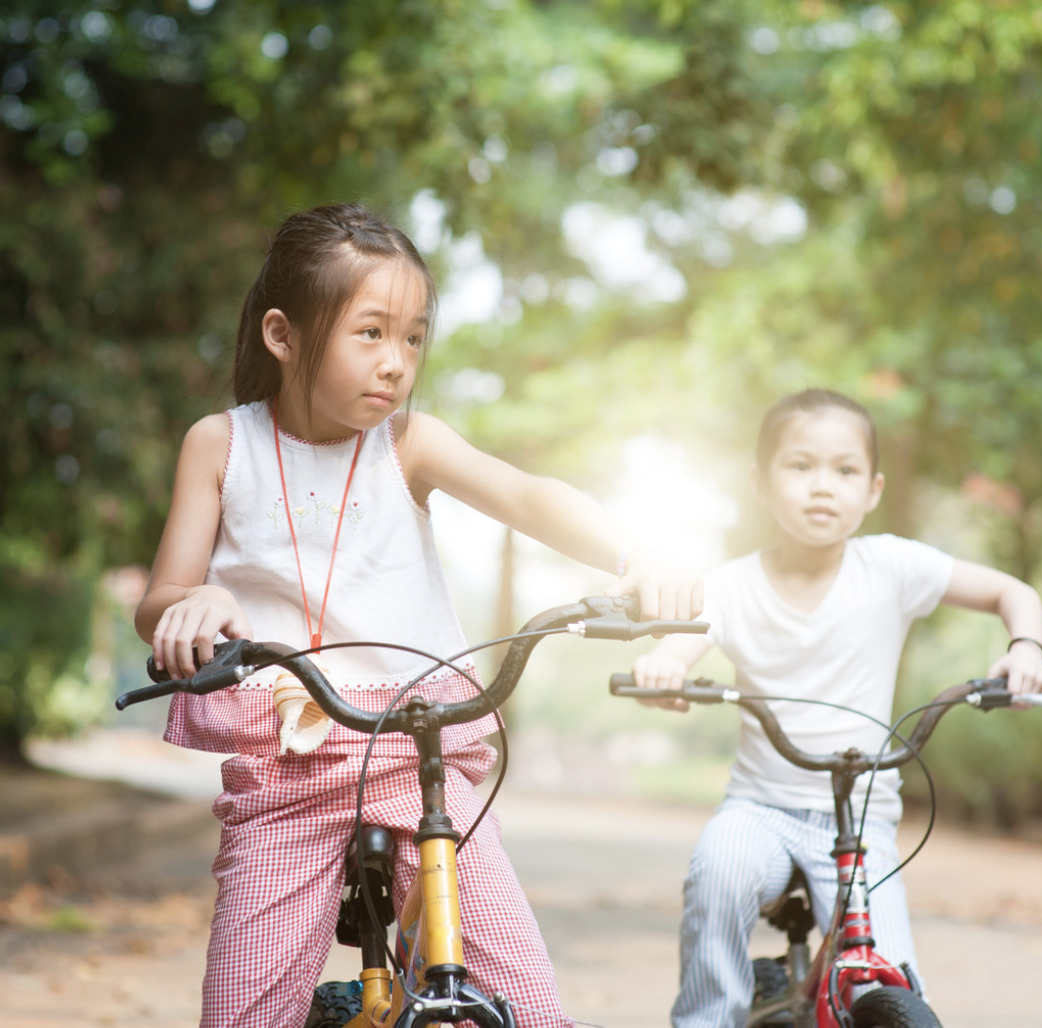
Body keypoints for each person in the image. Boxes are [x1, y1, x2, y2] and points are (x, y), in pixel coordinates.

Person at [135, 202, 701, 1028]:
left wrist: (638, 555)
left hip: (418, 754)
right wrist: (199, 602)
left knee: (526, 1005)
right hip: (285, 768)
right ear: (283, 337)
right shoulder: (222, 446)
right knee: (243, 1013)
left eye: (412, 337)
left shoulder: (411, 444)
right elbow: (158, 601)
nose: (396, 363)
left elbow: (528, 496)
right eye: (370, 333)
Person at [631, 388, 1042, 1028]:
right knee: (718, 871)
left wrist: (1025, 646)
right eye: (800, 466)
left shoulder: (892, 567)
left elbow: (1011, 591)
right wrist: (664, 664)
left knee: (890, 974)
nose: (822, 486)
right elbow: (684, 640)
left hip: (861, 819)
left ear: (874, 489)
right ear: (761, 483)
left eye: (845, 470)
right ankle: (707, 1018)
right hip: (760, 808)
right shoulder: (731, 585)